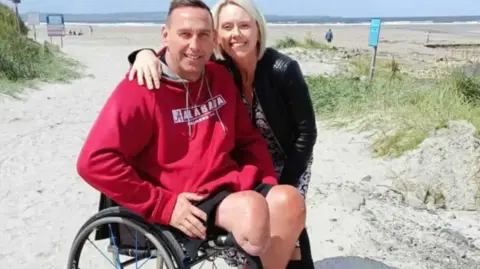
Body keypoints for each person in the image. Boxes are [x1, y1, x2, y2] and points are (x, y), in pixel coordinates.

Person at [76, 1, 306, 269]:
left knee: (290, 202)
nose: (195, 46)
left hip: (231, 182)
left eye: (204, 35)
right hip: (189, 197)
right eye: (185, 34)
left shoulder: (219, 76)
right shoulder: (142, 88)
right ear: (165, 35)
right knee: (254, 212)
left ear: (213, 39)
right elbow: (93, 162)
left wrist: (269, 182)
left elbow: (248, 139)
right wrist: (164, 205)